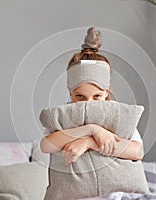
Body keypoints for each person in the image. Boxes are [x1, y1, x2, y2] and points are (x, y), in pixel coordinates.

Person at [40, 27, 144, 166]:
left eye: (97, 96)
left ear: (106, 92)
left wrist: (89, 142)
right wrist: (92, 129)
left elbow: (137, 152)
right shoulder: (63, 117)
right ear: (70, 91)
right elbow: (46, 146)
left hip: (114, 188)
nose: (88, 103)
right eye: (79, 96)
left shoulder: (117, 115)